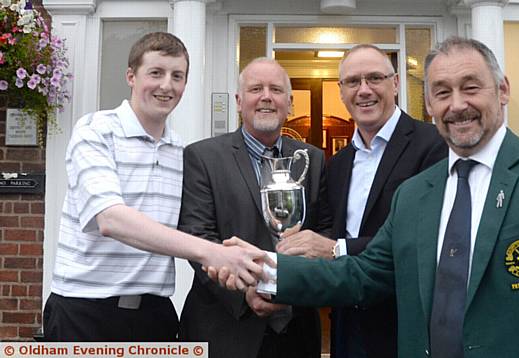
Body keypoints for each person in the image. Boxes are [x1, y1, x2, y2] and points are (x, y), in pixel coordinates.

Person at [220, 37, 519, 357]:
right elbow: (361, 275)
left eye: (470, 87)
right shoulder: (416, 195)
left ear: (503, 90)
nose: (457, 105)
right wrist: (265, 270)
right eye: (442, 92)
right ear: (430, 104)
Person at [43, 32, 267, 342]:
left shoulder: (181, 151)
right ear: (131, 76)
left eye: (177, 76)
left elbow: (198, 227)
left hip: (155, 315)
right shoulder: (96, 131)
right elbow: (110, 219)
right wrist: (212, 253)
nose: (167, 85)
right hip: (85, 313)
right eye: (156, 73)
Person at [275, 44, 447, 358]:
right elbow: (326, 234)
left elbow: (427, 239)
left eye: (374, 79)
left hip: (405, 326)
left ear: (395, 83)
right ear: (341, 91)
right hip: (347, 325)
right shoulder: (338, 163)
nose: (364, 90)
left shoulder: (434, 145)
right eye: (353, 82)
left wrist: (335, 249)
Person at [177, 57, 331, 358]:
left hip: (297, 328)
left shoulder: (311, 159)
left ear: (289, 103)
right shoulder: (203, 157)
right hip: (225, 328)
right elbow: (197, 237)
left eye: (276, 90)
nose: (266, 97)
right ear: (238, 101)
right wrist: (245, 292)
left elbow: (324, 230)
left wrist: (297, 286)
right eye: (255, 89)